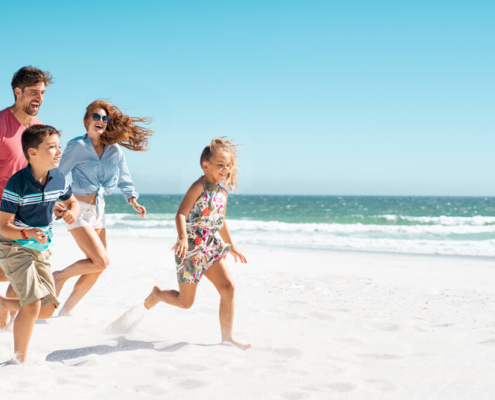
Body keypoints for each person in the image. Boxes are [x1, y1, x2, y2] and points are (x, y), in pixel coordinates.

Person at [144, 138, 251, 350]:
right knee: (186, 303)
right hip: (191, 248)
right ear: (206, 165)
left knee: (228, 288)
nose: (225, 169)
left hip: (211, 246)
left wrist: (232, 245)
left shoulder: (223, 193)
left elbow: (219, 222)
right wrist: (183, 237)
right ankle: (157, 294)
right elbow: (181, 214)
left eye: (228, 165)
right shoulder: (198, 186)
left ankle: (227, 338)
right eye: (220, 164)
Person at [54, 100, 153, 316]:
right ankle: (59, 276)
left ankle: (67, 309)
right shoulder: (76, 147)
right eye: (96, 117)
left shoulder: (114, 151)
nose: (100, 121)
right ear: (87, 120)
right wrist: (55, 201)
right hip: (78, 209)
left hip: (99, 212)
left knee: (99, 266)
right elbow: (57, 175)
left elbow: (125, 179)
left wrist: (133, 200)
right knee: (101, 260)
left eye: (104, 118)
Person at [0, 125, 80, 363]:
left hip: (41, 247)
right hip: (14, 245)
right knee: (33, 303)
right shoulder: (17, 184)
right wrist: (27, 233)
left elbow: (72, 202)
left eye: (59, 146)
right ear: (32, 153)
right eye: (51, 147)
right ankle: (19, 359)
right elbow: (3, 225)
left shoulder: (59, 177)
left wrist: (71, 213)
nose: (58, 152)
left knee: (46, 309)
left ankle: (4, 303)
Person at [0, 66, 54, 328]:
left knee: (16, 275)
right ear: (17, 92)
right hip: (3, 215)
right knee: (6, 273)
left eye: (42, 92)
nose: (39, 98)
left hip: (29, 217)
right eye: (33, 92)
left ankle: (3, 323)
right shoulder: (1, 124)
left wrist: (57, 202)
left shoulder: (40, 129)